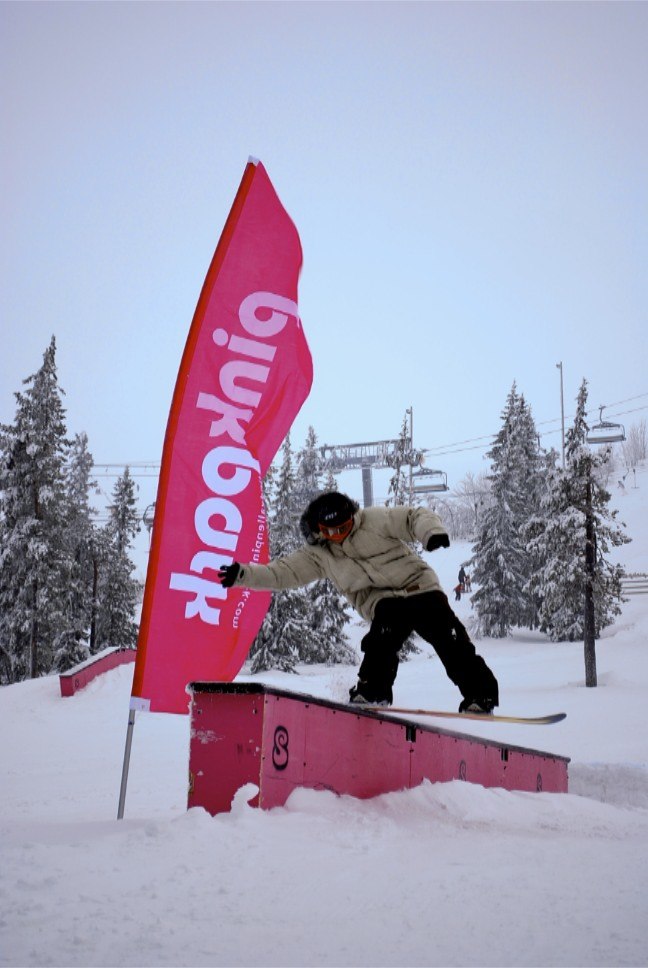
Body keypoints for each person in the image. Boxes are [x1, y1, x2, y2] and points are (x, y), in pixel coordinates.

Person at [218, 491, 499, 714]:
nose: (339, 535)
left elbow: (414, 516)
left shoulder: (375, 520)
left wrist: (430, 533)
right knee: (381, 638)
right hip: (383, 601)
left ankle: (480, 695)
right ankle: (372, 693)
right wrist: (242, 574)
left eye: (344, 526)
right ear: (318, 530)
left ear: (353, 516)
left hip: (419, 587)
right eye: (330, 531)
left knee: (449, 638)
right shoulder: (318, 555)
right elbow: (282, 573)